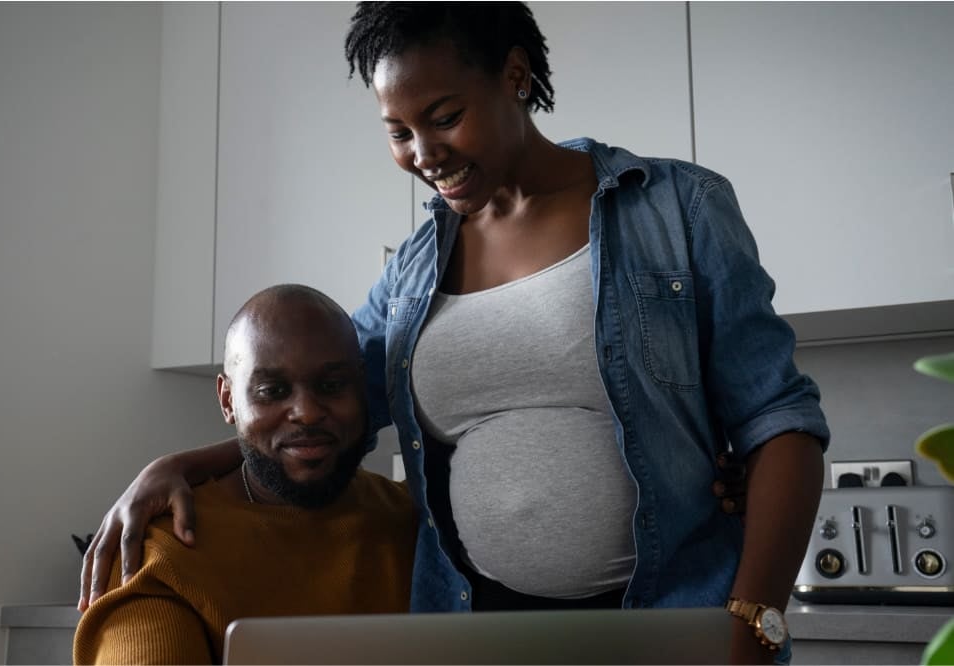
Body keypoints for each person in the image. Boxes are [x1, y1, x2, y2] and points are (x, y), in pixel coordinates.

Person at [80, 3, 829, 663]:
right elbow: (332, 403)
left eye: (443, 117)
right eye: (398, 132)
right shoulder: (411, 270)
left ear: (515, 77)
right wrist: (179, 464)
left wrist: (752, 619)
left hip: (668, 621)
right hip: (472, 629)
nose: (423, 153)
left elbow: (780, 420)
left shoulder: (676, 209)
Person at [73, 285, 416, 665]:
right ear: (228, 400)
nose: (306, 412)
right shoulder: (160, 551)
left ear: (363, 388)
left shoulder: (416, 521)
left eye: (332, 386)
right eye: (272, 390)